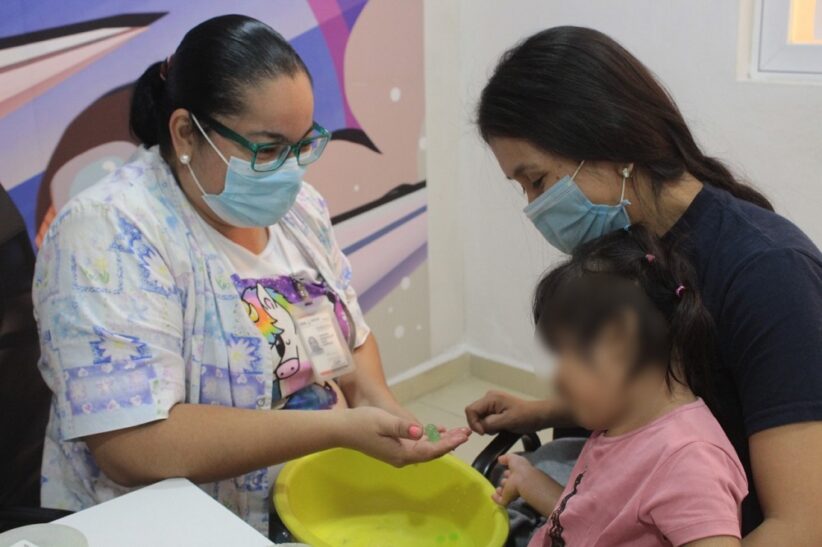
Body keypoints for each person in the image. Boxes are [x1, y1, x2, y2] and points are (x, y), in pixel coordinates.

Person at [33, 15, 468, 534]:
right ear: (186, 133)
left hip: (309, 499)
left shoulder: (299, 211)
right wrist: (338, 429)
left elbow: (350, 339)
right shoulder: (107, 233)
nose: (292, 170)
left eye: (302, 145)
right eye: (268, 149)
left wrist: (388, 415)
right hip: (171, 525)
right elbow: (133, 444)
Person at [467, 26, 822, 544]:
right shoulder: (635, 248)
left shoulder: (770, 276)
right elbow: (669, 390)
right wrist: (542, 410)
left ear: (610, 142)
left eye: (537, 181)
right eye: (522, 189)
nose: (534, 209)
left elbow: (802, 525)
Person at [495, 226, 747, 546]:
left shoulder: (689, 462)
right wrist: (533, 483)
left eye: (563, 354)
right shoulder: (620, 421)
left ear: (620, 341)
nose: (556, 378)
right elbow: (598, 523)